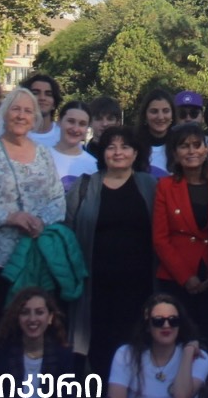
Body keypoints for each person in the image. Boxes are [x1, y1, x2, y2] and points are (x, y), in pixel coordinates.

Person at [0, 89, 65, 376]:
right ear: (4, 114)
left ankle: (21, 384)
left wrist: (39, 221)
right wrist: (9, 217)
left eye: (28, 111)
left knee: (28, 324)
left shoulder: (43, 154)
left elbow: (58, 200)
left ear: (35, 118)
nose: (21, 115)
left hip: (31, 258)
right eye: (15, 109)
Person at [63, 125, 155, 374]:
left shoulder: (150, 186)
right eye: (111, 147)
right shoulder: (83, 188)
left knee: (133, 339)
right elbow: (69, 233)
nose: (118, 152)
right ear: (102, 153)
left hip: (139, 283)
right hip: (94, 283)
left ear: (136, 153)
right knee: (98, 339)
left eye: (125, 147)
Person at [152, 123, 208, 345]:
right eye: (183, 146)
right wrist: (185, 277)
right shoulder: (165, 186)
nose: (191, 151)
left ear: (205, 149)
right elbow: (160, 238)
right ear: (174, 153)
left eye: (196, 145)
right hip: (176, 277)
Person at [47, 100, 98, 191]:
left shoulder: (93, 165)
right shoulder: (42, 157)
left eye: (82, 124)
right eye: (71, 121)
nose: (75, 129)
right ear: (59, 121)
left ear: (87, 128)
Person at [133, 87, 175, 177]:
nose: (160, 117)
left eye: (166, 111)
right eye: (154, 111)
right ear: (145, 115)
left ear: (172, 115)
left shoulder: (180, 146)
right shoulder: (132, 146)